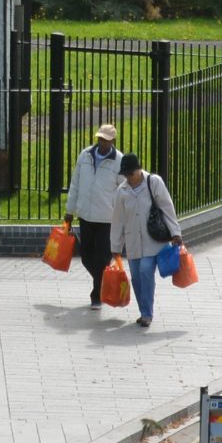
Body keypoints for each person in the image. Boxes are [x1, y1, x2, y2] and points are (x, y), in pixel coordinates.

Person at [110, 150, 184, 331]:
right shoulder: (122, 191)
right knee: (136, 277)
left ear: (138, 170)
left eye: (131, 173)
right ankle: (143, 309)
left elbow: (167, 207)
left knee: (145, 271)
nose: (129, 177)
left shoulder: (154, 182)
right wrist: (116, 247)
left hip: (154, 240)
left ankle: (147, 314)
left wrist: (175, 232)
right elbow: (117, 220)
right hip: (133, 241)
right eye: (125, 174)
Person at [66, 121, 123, 307]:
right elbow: (75, 183)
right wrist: (69, 211)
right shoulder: (85, 155)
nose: (102, 143)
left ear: (113, 140)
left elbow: (124, 189)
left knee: (103, 256)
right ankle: (102, 282)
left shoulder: (119, 160)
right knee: (85, 254)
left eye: (106, 140)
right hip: (86, 215)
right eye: (100, 139)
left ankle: (96, 294)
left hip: (107, 217)